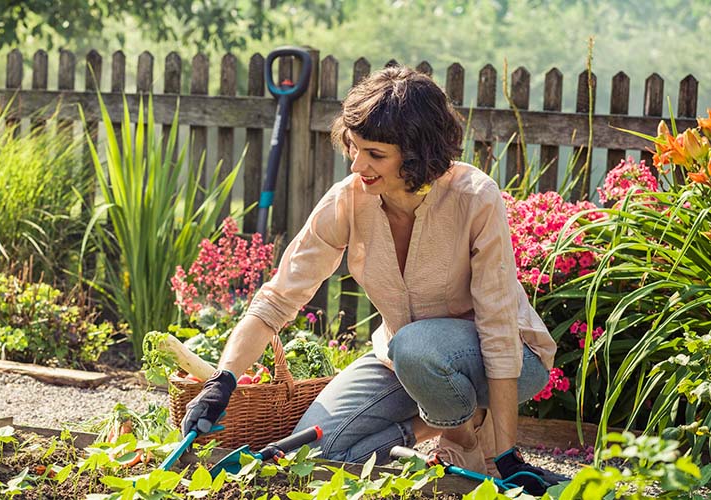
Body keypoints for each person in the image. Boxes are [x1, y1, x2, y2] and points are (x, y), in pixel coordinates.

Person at [181, 66, 568, 495]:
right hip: (403, 361)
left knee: (416, 347)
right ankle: (428, 424)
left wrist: (507, 455)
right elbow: (277, 299)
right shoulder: (348, 201)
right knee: (313, 457)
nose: (357, 164)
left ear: (418, 154)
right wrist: (223, 380)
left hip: (502, 358)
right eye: (355, 148)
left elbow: (497, 325)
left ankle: (461, 434)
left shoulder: (474, 198)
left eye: (375, 155)